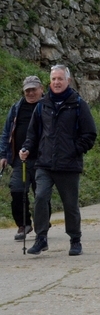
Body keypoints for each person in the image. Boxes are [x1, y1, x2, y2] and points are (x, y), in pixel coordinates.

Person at [20, 65, 97, 256]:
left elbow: (89, 134)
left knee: (70, 205)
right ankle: (41, 238)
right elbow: (32, 134)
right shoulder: (42, 105)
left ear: (68, 81)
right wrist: (26, 148)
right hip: (44, 163)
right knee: (40, 197)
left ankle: (75, 239)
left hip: (68, 165)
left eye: (60, 79)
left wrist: (74, 150)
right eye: (53, 79)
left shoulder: (78, 104)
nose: (56, 82)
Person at [0, 76, 45, 241]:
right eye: (27, 90)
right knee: (17, 191)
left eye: (33, 89)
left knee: (41, 194)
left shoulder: (47, 106)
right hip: (21, 159)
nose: (30, 93)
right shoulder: (16, 108)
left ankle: (42, 225)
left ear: (41, 89)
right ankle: (23, 224)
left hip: (43, 159)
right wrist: (3, 155)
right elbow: (7, 132)